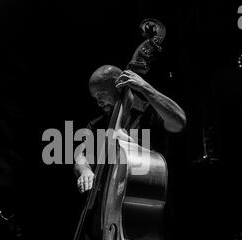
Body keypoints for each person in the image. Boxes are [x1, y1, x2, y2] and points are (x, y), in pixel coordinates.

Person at [74, 65, 186, 193]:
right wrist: (85, 170)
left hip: (145, 196)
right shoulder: (97, 125)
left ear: (120, 85)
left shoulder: (150, 113)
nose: (99, 103)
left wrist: (145, 88)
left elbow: (179, 122)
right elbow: (80, 156)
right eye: (96, 98)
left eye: (101, 94)